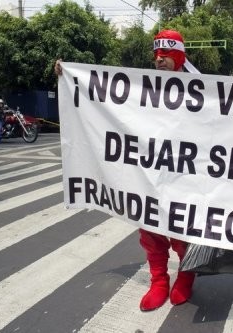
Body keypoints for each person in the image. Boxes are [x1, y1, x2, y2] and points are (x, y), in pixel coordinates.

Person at [54, 29, 198, 311]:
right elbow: (101, 96)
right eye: (157, 54)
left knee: (182, 232)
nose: (159, 60)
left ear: (180, 56)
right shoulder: (139, 88)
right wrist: (67, 75)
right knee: (150, 229)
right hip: (146, 173)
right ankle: (159, 280)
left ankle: (186, 274)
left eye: (166, 55)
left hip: (184, 175)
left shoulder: (205, 89)